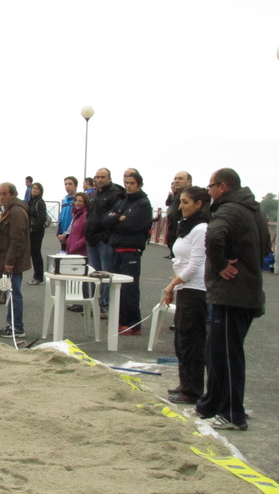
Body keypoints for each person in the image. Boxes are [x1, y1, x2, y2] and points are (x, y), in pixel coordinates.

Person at [194, 168, 271, 431]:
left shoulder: (228, 210)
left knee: (227, 355)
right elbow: (267, 249)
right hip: (248, 291)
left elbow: (213, 236)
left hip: (232, 295)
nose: (209, 192)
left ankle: (232, 413)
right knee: (218, 352)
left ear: (223, 187)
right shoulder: (254, 211)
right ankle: (212, 404)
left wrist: (221, 264)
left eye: (211, 186)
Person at [161, 186, 209, 404]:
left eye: (186, 203)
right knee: (182, 338)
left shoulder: (201, 228)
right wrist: (174, 284)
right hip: (185, 287)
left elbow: (196, 265)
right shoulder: (187, 227)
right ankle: (185, 383)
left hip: (196, 289)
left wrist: (172, 285)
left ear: (199, 204)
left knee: (191, 339)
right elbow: (179, 261)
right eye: (180, 202)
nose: (181, 207)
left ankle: (193, 389)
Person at [102, 171, 152, 335]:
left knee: (129, 288)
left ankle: (133, 324)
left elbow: (130, 225)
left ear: (139, 184)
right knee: (117, 288)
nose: (128, 186)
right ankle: (120, 321)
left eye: (132, 183)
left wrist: (116, 220)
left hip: (131, 251)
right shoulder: (122, 201)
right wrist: (118, 218)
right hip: (116, 249)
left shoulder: (143, 204)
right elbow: (105, 220)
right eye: (127, 182)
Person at [0, 183, 31, 340]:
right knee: (10, 292)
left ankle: (17, 328)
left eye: (4, 194)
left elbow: (17, 239)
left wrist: (10, 261)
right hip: (9, 256)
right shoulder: (9, 209)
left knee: (14, 293)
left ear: (12, 194)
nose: (1, 197)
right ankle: (12, 325)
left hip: (14, 259)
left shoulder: (17, 211)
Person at [84, 168, 124, 316]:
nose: (99, 179)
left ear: (109, 178)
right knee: (93, 273)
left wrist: (107, 235)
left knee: (106, 274)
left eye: (102, 177)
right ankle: (94, 303)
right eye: (97, 177)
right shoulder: (93, 195)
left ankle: (105, 304)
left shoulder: (115, 194)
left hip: (104, 240)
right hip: (91, 238)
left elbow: (115, 217)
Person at [165, 171, 192, 257]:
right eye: (175, 178)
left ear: (189, 182)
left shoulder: (193, 196)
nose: (176, 181)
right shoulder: (176, 196)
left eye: (180, 178)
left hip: (185, 238)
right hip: (174, 235)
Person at [27, 182, 47, 285]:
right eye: (33, 188)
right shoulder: (31, 201)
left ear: (40, 191)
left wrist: (34, 229)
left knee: (36, 253)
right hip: (31, 230)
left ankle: (38, 276)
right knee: (33, 252)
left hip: (37, 231)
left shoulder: (40, 202)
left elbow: (42, 218)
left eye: (36, 189)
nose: (34, 190)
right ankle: (36, 275)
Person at [57, 177, 77, 251]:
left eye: (70, 184)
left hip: (72, 234)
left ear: (75, 186)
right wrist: (59, 231)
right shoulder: (64, 200)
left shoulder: (77, 200)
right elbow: (61, 217)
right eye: (65, 184)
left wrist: (67, 234)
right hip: (63, 233)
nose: (67, 186)